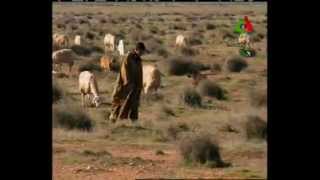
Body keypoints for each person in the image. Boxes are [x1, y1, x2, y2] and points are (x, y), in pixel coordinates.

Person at [109, 42, 149, 126]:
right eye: (141, 52)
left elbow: (140, 73)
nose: (142, 54)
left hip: (135, 86)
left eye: (143, 52)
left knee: (134, 104)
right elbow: (124, 70)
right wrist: (128, 83)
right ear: (137, 50)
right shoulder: (128, 57)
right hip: (124, 86)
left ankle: (134, 122)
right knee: (119, 102)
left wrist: (139, 85)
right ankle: (113, 120)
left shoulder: (138, 60)